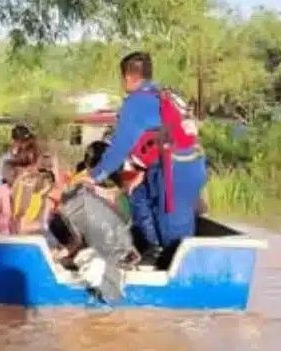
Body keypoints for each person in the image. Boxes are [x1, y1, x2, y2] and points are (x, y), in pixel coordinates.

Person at [84, 51, 206, 252]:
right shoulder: (166, 96)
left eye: (122, 78)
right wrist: (143, 173)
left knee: (175, 240)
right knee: (140, 195)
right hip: (192, 164)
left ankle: (169, 260)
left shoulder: (136, 102)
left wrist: (94, 176)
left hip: (173, 170)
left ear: (129, 77)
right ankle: (154, 250)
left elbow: (119, 148)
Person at [0, 124, 34, 194]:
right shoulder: (7, 159)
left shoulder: (31, 155)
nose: (24, 145)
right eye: (22, 141)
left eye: (26, 141)